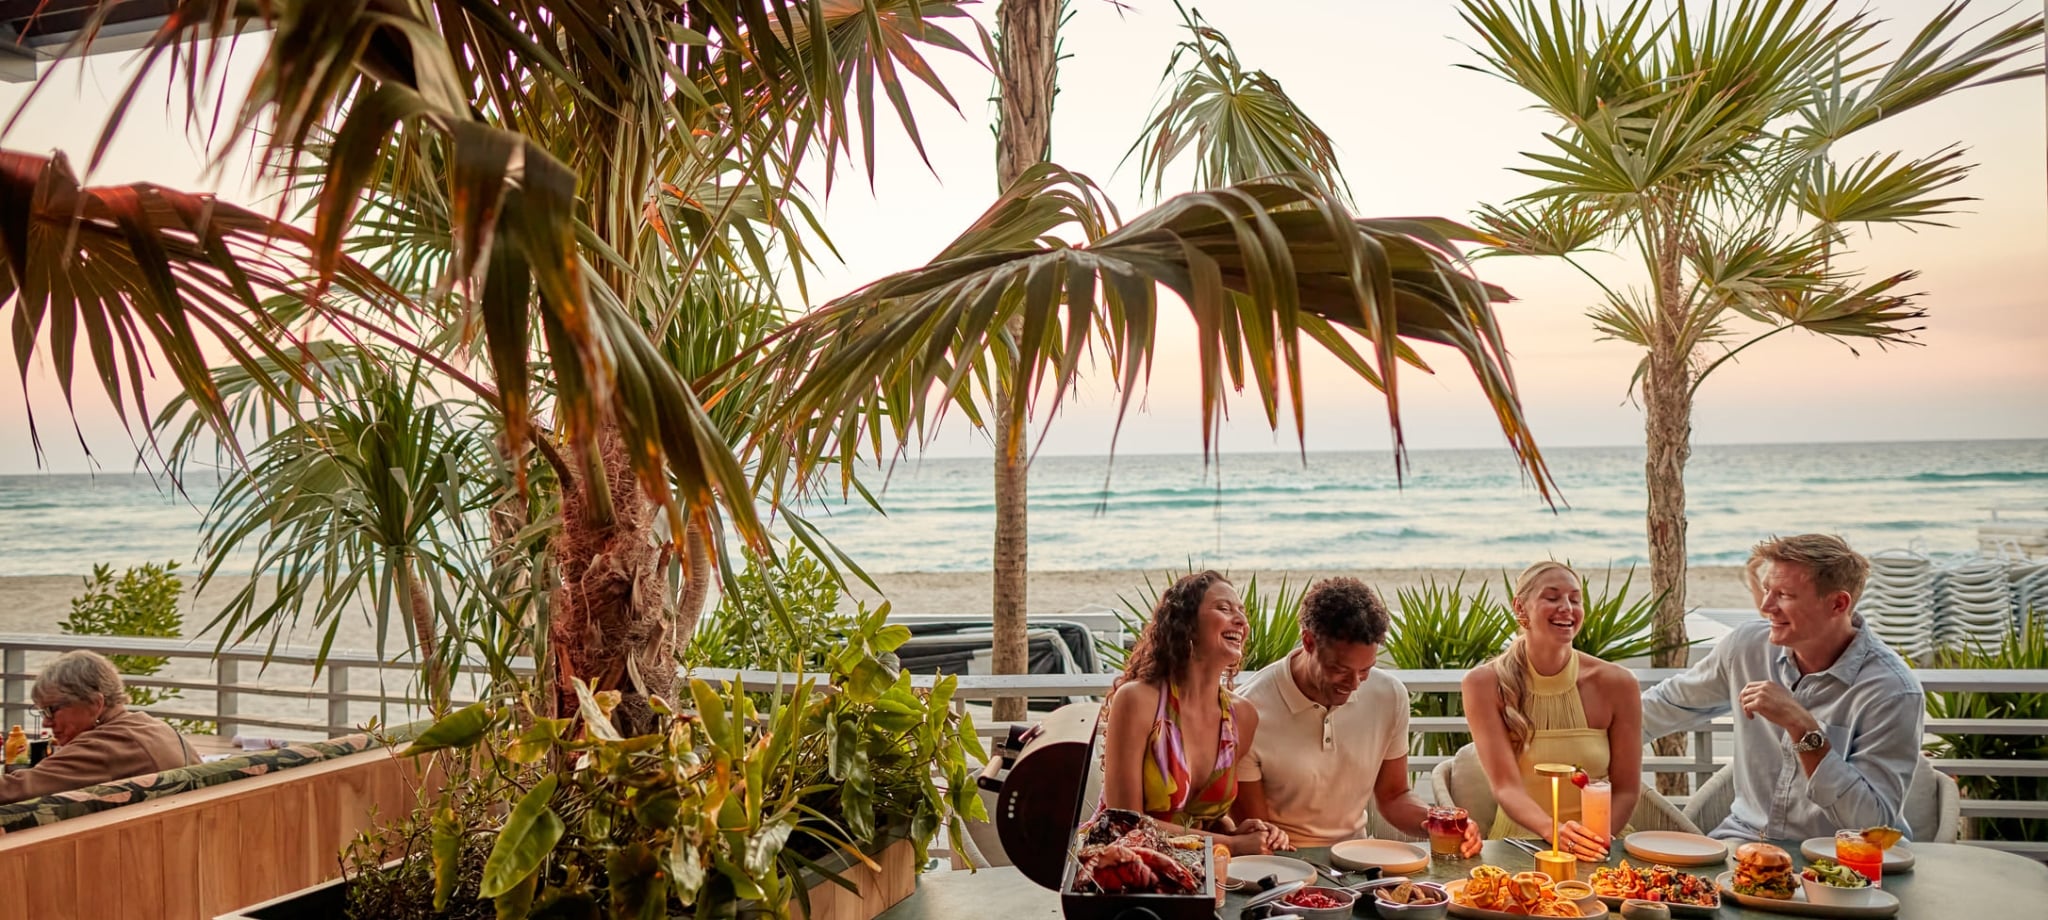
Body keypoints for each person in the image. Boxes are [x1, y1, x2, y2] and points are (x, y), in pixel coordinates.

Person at [1641, 534, 1922, 841]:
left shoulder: (1892, 691)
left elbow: (1874, 827)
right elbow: (1663, 707)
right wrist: (1585, 734)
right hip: (1744, 845)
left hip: (1845, 860)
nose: (1766, 606)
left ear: (1838, 604)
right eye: (1766, 590)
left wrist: (1803, 729)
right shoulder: (1746, 648)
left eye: (1785, 595)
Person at [1234, 577, 1482, 855]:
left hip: (1357, 857)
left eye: (1365, 670)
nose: (1354, 684)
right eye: (1339, 669)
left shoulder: (1389, 694)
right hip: (1282, 860)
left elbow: (1394, 797)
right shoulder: (1249, 709)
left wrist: (1438, 822)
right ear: (1308, 641)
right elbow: (1256, 829)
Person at [1462, 561, 1643, 859]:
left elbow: (1626, 790)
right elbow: (1506, 787)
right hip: (1522, 846)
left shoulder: (1618, 683)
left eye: (1575, 598)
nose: (1567, 608)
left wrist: (1594, 842)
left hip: (1600, 845)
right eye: (1552, 597)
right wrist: (1552, 831)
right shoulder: (1483, 684)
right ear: (1520, 607)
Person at [1101, 570, 1289, 854]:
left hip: (1204, 873)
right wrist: (1234, 844)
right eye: (1224, 609)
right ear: (1186, 624)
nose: (1240, 620)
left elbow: (1202, 819)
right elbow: (1124, 823)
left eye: (1241, 611)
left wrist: (1239, 830)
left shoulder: (1242, 716)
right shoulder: (1139, 701)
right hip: (1127, 872)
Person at [0, 650, 198, 803]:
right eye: (43, 712)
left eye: (52, 710)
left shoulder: (105, 746)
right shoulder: (157, 727)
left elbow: (15, 790)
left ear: (95, 703)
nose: (46, 722)